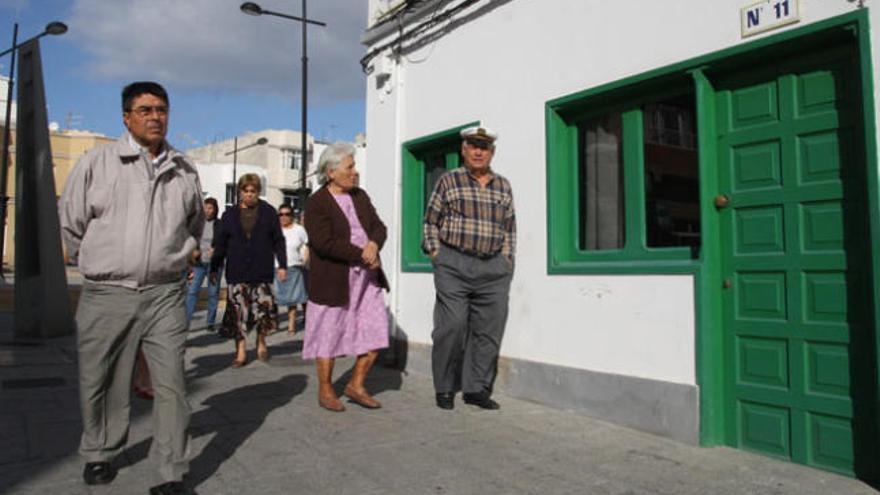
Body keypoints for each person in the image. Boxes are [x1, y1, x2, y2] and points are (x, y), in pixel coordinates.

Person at [59, 81, 203, 495]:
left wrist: (179, 256)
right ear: (126, 117)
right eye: (145, 110)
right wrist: (102, 262)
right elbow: (71, 224)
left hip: (165, 294)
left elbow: (195, 224)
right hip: (107, 292)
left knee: (172, 381)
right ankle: (100, 451)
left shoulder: (184, 168)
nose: (156, 117)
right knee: (100, 378)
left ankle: (172, 471)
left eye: (162, 109)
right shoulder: (96, 163)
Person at [423, 125, 516, 411]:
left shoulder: (503, 185)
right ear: (463, 150)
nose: (478, 151)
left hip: (493, 269)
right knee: (451, 326)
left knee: (489, 330)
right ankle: (445, 386)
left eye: (484, 146)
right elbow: (430, 222)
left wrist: (507, 258)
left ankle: (476, 389)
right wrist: (436, 253)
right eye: (473, 145)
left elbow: (510, 226)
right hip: (454, 263)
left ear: (492, 152)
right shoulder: (448, 181)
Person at [303, 142, 389, 412]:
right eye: (350, 167)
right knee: (328, 336)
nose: (355, 172)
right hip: (334, 280)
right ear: (331, 172)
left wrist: (374, 244)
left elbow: (378, 226)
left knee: (375, 332)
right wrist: (361, 254)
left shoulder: (360, 196)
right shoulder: (317, 203)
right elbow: (323, 242)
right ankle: (326, 390)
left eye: (354, 166)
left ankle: (356, 384)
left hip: (367, 279)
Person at [210, 174, 286, 367]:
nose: (250, 195)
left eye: (253, 191)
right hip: (237, 271)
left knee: (262, 312)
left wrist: (283, 265)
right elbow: (220, 244)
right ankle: (241, 351)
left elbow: (278, 240)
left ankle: (261, 342)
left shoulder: (269, 212)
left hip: (262, 270)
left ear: (258, 192)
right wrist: (214, 267)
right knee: (238, 314)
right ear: (240, 192)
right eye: (246, 191)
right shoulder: (229, 215)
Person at [185, 197, 222, 329]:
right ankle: (186, 322)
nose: (208, 210)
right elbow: (189, 240)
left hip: (214, 264)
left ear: (215, 209)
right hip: (198, 263)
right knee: (192, 291)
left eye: (210, 208)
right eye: (206, 207)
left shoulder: (219, 224)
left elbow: (224, 243)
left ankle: (210, 323)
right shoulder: (197, 224)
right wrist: (194, 251)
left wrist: (216, 250)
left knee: (213, 293)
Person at [275, 204, 309, 334]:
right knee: (276, 298)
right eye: (281, 214)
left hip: (295, 267)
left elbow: (307, 246)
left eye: (287, 214)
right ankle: (274, 323)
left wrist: (305, 261)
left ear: (292, 216)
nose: (283, 217)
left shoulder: (299, 229)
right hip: (276, 267)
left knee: (293, 298)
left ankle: (291, 326)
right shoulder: (275, 229)